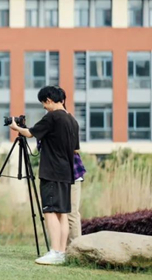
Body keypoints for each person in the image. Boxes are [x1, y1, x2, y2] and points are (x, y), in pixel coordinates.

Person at [9, 86, 78, 265]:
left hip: (52, 171)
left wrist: (15, 126)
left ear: (48, 100)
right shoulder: (72, 120)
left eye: (43, 104)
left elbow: (29, 133)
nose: (44, 108)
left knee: (49, 211)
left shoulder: (52, 117)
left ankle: (55, 252)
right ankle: (61, 253)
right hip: (66, 171)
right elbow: (76, 148)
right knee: (62, 212)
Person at [55, 87, 86, 245]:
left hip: (70, 172)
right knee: (64, 212)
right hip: (65, 172)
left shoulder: (65, 120)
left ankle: (75, 248)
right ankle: (64, 247)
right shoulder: (69, 119)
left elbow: (74, 148)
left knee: (71, 212)